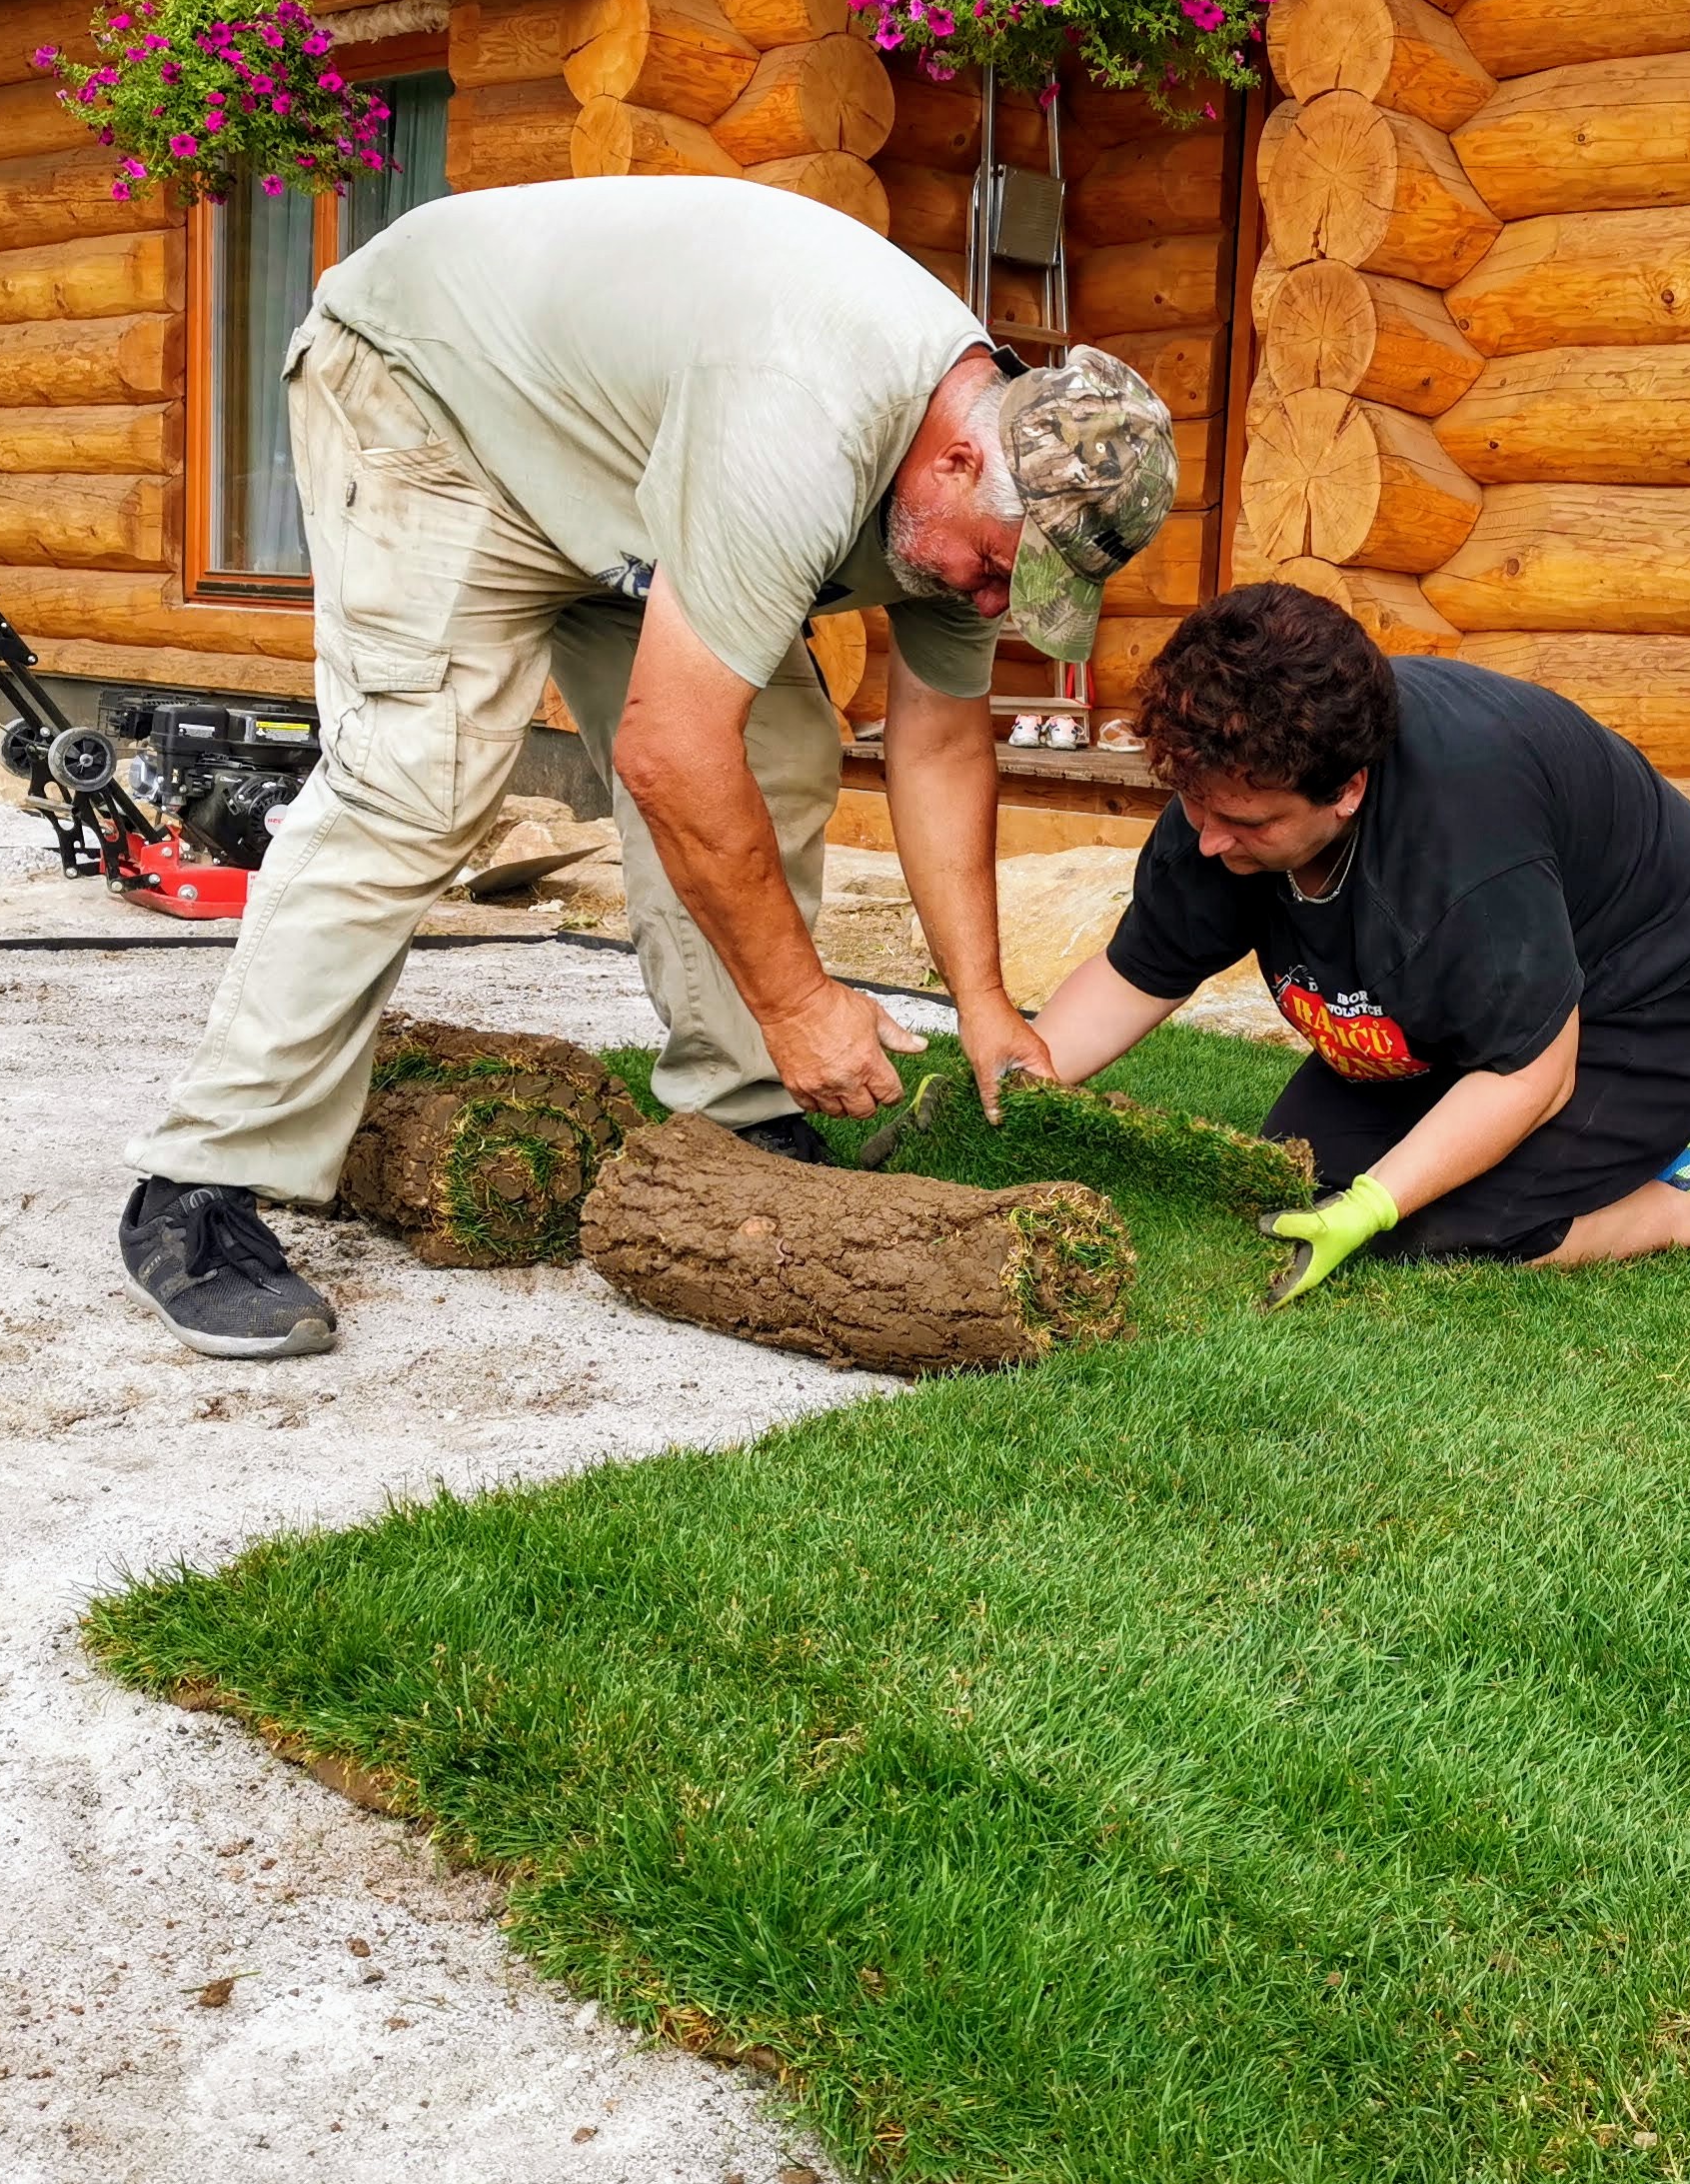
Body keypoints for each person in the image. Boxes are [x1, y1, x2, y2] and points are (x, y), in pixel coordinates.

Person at [118, 177, 1174, 1358]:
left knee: (775, 747)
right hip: (439, 396)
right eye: (997, 569)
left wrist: (984, 1002)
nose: (993, 599)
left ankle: (739, 1109)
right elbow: (668, 753)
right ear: (957, 459)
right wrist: (805, 1003)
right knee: (422, 781)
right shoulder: (804, 422)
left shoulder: (984, 494)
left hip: (629, 470)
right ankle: (198, 1187)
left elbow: (937, 740)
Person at [1030, 584, 1690, 1299]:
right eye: (1194, 805)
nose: (1207, 843)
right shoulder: (1231, 784)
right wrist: (1008, 1081)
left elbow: (1530, 1076)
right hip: (1497, 970)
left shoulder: (1461, 853)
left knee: (1441, 1229)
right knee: (1298, 1179)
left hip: (1659, 979)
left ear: (1348, 790)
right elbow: (1138, 973)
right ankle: (1599, 1154)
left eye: (1247, 823)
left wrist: (1376, 1206)